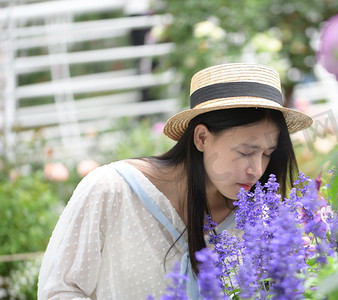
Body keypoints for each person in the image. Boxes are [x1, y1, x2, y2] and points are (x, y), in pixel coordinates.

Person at [37, 63, 313, 299]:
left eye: (267, 154)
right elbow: (58, 289)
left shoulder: (256, 221)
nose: (257, 169)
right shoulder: (112, 188)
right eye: (245, 151)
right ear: (202, 138)